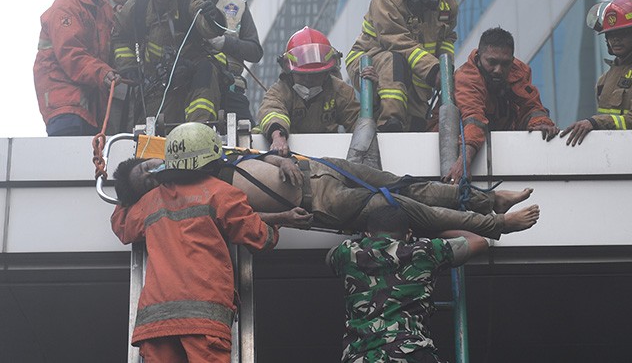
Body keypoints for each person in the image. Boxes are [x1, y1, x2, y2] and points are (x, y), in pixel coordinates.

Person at [110, 122, 280, 362]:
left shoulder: (148, 202)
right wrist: (278, 220)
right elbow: (261, 239)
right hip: (204, 322)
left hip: (157, 325)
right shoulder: (222, 193)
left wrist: (128, 193)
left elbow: (121, 225)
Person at [118, 147, 541, 240]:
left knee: (402, 184)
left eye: (146, 168)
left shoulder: (189, 155)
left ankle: (491, 199)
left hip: (317, 168)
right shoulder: (192, 200)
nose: (152, 175)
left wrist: (279, 158)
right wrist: (281, 220)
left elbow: (245, 154)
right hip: (318, 203)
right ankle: (496, 223)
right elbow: (237, 223)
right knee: (404, 206)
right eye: (145, 181)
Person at [327, 206, 499, 362]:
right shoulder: (425, 251)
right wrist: (434, 231)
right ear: (408, 234)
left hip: (362, 356)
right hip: (411, 352)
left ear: (368, 234)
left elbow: (330, 257)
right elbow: (479, 242)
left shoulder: (347, 254)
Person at [345, 0, 458, 132]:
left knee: (416, 118)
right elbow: (397, 42)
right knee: (393, 61)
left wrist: (445, 69)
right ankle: (390, 122)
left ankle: (413, 122)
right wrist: (435, 70)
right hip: (369, 59)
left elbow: (447, 39)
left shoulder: (447, 1)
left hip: (416, 65)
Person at [112, 0, 228, 128]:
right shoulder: (137, 6)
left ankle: (199, 130)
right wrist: (128, 66)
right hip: (153, 84)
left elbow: (212, 29)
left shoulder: (187, 0)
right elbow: (118, 35)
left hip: (191, 80)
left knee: (207, 70)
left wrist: (214, 16)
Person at [33, 0, 122, 136]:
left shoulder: (101, 7)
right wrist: (103, 73)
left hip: (89, 105)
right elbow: (72, 54)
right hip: (65, 107)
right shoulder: (65, 8)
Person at [444, 27, 558, 183]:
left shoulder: (518, 71)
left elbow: (531, 107)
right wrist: (464, 161)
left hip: (502, 151)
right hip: (457, 146)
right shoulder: (467, 78)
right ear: (479, 57)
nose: (498, 70)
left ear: (511, 60)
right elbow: (474, 120)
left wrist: (541, 124)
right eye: (491, 62)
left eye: (505, 64)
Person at [560, 0, 632, 146]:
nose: (615, 40)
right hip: (617, 154)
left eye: (622, 33)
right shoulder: (606, 78)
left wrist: (595, 122)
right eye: (611, 35)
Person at [257, 27, 360, 156]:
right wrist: (278, 137)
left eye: (315, 75)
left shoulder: (340, 91)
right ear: (289, 71)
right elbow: (271, 111)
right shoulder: (279, 92)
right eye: (302, 75)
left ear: (327, 72)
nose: (308, 80)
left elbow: (358, 123)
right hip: (289, 155)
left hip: (330, 154)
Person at [187, 0, 264, 125]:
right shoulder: (183, 5)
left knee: (246, 137)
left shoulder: (236, 6)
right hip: (192, 88)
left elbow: (255, 51)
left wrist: (225, 43)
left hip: (230, 87)